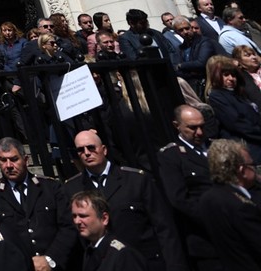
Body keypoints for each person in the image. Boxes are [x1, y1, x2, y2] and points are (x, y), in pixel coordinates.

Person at [61, 130, 186, 271]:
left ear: (104, 150)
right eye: (80, 150)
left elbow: (164, 226)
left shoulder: (136, 180)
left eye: (91, 147)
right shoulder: (72, 188)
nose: (87, 153)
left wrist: (175, 266)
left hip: (144, 263)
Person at [0, 136, 75, 271]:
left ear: (26, 160)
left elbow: (68, 226)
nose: (8, 166)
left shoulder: (50, 188)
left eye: (14, 159)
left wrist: (50, 259)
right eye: (3, 160)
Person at [156, 106, 218, 271]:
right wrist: (212, 218)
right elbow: (179, 198)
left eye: (202, 126)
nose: (199, 132)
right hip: (206, 234)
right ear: (177, 126)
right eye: (192, 128)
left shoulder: (216, 147)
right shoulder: (171, 156)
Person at [198, 138, 261, 270]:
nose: (255, 170)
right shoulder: (241, 205)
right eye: (252, 165)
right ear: (242, 170)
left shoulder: (207, 199)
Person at [71, 191, 148, 271]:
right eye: (74, 216)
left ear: (104, 218)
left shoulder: (123, 255)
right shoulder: (90, 251)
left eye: (83, 216)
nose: (77, 221)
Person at [205, 55, 261, 161]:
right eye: (226, 75)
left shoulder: (238, 94)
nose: (231, 78)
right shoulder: (217, 96)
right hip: (247, 146)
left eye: (233, 75)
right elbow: (236, 123)